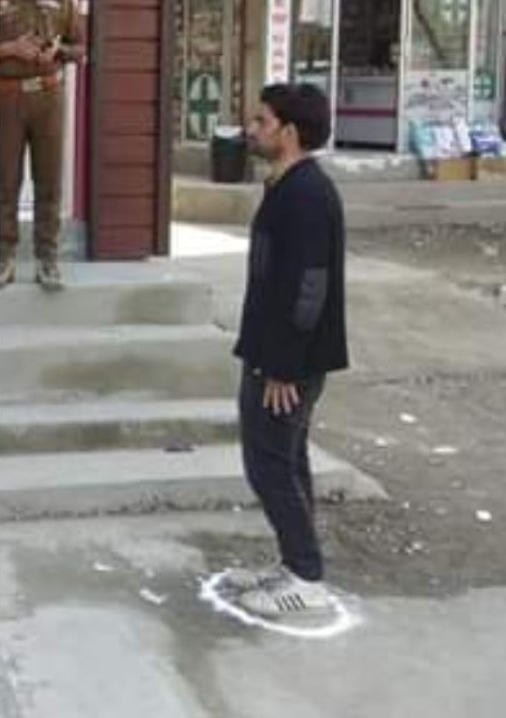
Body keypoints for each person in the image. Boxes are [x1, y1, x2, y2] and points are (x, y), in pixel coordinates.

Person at [227, 82, 348, 618]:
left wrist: (283, 368)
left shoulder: (307, 196)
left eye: (261, 121)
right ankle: (293, 564)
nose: (251, 130)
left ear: (289, 133)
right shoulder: (288, 185)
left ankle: (306, 576)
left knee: (269, 466)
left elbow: (308, 289)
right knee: (285, 461)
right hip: (273, 352)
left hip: (286, 363)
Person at [0, 0, 84, 291]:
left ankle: (48, 258)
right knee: (6, 180)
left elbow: (80, 47)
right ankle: (3, 257)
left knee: (49, 180)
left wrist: (59, 53)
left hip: (48, 95)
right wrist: (12, 49)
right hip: (7, 95)